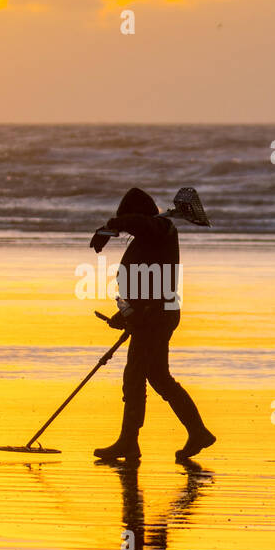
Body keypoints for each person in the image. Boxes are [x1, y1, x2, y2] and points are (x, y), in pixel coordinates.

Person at [89, 187, 215, 462]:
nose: (128, 230)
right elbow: (145, 283)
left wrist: (109, 227)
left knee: (137, 376)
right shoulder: (151, 233)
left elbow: (141, 224)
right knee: (156, 376)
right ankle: (195, 432)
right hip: (150, 315)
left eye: (127, 220)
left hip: (157, 316)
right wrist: (126, 314)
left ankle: (130, 441)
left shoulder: (161, 227)